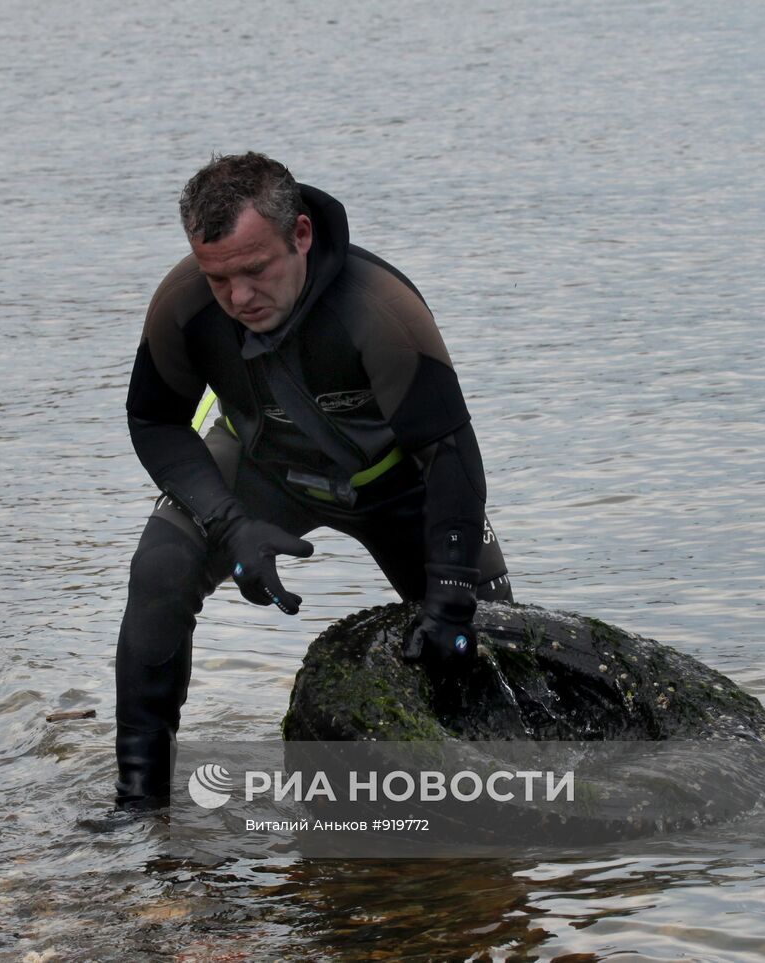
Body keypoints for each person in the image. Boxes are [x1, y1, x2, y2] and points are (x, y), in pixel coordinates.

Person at [115, 152, 515, 811]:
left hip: (400, 484)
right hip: (258, 469)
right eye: (219, 279)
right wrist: (228, 521)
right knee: (159, 567)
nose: (239, 298)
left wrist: (448, 599)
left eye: (255, 270)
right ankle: (139, 805)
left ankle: (488, 821)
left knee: (489, 641)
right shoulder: (184, 305)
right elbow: (154, 419)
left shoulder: (379, 309)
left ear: (299, 235)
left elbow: (451, 458)